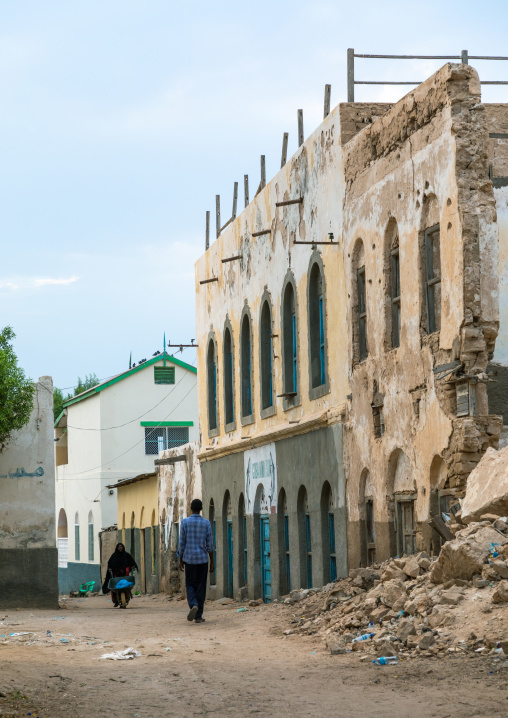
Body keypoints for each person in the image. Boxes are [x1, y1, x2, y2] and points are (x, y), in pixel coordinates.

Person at [178, 498, 214, 624]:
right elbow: (210, 545)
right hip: (203, 560)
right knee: (201, 587)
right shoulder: (206, 523)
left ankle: (193, 603)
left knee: (190, 584)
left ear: (190, 508)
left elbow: (181, 543)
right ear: (201, 509)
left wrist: (181, 559)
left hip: (190, 560)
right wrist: (212, 562)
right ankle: (198, 616)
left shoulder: (184, 522)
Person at [104, 542, 138, 607]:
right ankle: (116, 601)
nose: (120, 548)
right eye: (119, 547)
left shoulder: (126, 555)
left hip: (124, 575)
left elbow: (131, 561)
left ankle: (126, 598)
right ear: (117, 548)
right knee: (115, 587)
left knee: (125, 587)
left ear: (123, 547)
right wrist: (110, 569)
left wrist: (133, 566)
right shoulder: (114, 556)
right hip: (117, 575)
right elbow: (110, 564)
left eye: (121, 546)